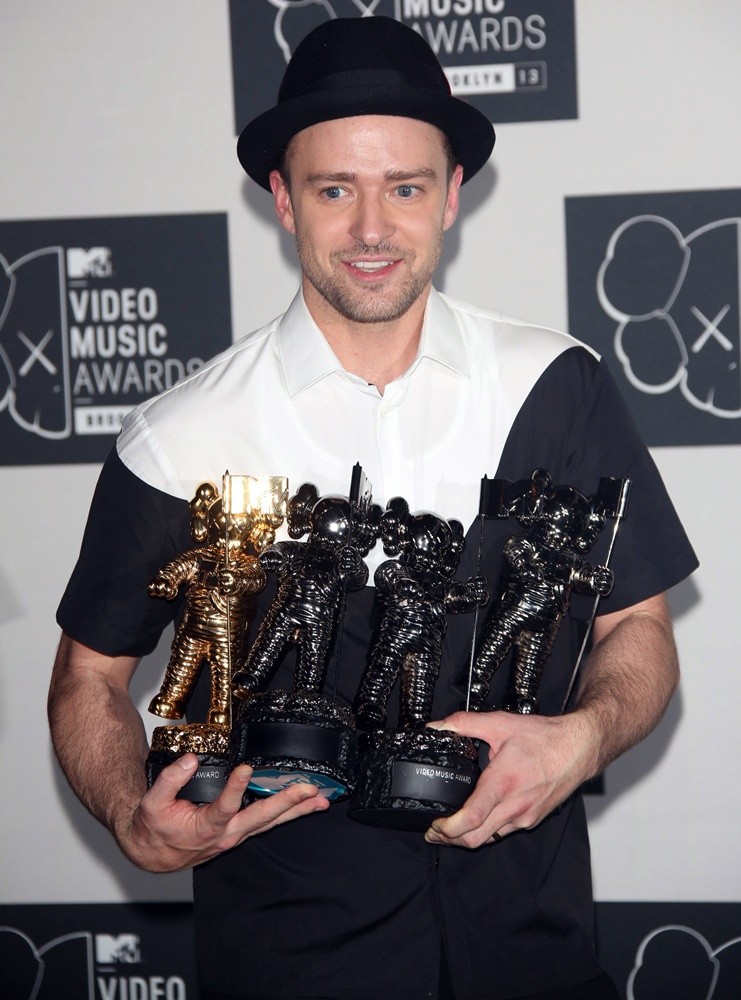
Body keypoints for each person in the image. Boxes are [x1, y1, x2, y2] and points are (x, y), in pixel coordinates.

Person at [48, 16, 698, 1000]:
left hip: (536, 960)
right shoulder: (182, 437)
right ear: (282, 199)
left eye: (404, 187)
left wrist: (585, 737)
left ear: (451, 196)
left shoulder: (554, 387)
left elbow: (639, 628)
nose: (369, 230)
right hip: (288, 968)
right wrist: (129, 813)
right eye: (334, 189)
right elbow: (87, 678)